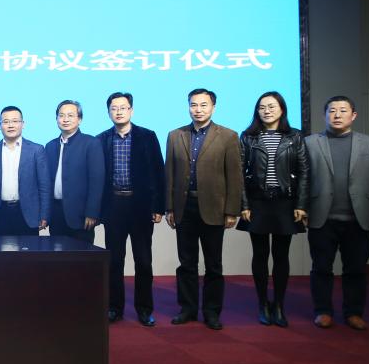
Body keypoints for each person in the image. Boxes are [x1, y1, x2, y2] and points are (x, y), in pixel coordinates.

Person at [305, 95, 369, 330]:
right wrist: (302, 209)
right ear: (324, 115)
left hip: (358, 218)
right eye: (332, 111)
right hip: (321, 217)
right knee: (321, 267)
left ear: (353, 115)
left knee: (356, 269)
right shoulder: (311, 142)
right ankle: (323, 311)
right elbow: (304, 180)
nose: (337, 115)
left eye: (343, 110)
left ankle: (353, 313)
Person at [165, 88, 243, 330]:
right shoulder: (175, 135)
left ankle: (211, 312)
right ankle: (187, 309)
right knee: (186, 263)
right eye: (193, 105)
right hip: (184, 207)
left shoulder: (228, 136)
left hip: (214, 208)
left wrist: (232, 210)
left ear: (213, 107)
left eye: (203, 105)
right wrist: (169, 207)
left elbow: (234, 176)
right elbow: (169, 174)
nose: (198, 110)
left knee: (213, 264)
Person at [236, 91, 309, 328]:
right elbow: (239, 173)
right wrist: (244, 204)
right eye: (262, 107)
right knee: (259, 255)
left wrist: (301, 204)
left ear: (282, 109)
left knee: (281, 255)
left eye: (271, 106)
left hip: (285, 202)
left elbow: (304, 172)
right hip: (257, 202)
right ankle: (262, 304)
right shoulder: (248, 137)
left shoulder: (295, 136)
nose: (267, 111)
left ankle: (278, 304)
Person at [97, 92, 166, 326]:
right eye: (114, 108)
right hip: (114, 206)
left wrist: (158, 206)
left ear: (131, 111)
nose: (118, 112)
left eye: (123, 108)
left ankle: (144, 309)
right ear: (109, 112)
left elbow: (158, 172)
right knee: (115, 261)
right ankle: (114, 308)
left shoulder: (147, 136)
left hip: (140, 206)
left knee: (143, 260)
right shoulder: (102, 139)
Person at [0, 106, 50, 236]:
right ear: (0, 125)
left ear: (23, 124)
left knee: (29, 249)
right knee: (1, 249)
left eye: (15, 121)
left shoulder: (36, 150)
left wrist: (44, 214)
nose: (10, 125)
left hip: (28, 213)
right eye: (6, 121)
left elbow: (44, 186)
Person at [45, 100, 104, 244]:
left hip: (81, 215)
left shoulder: (91, 143)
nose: (65, 119)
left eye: (70, 115)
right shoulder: (50, 146)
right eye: (61, 115)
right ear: (57, 119)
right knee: (55, 255)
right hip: (56, 214)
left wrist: (92, 212)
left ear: (80, 119)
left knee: (81, 256)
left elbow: (97, 181)